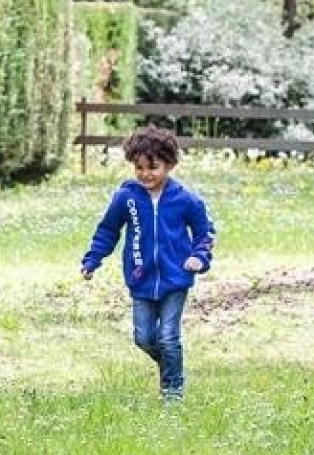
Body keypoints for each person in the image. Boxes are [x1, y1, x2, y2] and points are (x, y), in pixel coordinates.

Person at [80, 126, 215, 401]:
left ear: (169, 164)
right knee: (143, 338)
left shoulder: (185, 199)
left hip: (176, 278)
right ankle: (170, 366)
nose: (145, 174)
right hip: (140, 277)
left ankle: (173, 392)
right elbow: (108, 230)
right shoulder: (126, 197)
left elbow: (205, 233)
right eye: (139, 167)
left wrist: (199, 258)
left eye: (153, 167)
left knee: (168, 337)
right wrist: (93, 259)